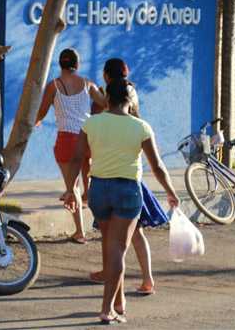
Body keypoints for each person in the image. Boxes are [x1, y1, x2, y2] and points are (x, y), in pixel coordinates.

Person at [63, 78, 180, 325]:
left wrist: (69, 189)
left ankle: (118, 301)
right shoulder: (141, 127)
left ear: (107, 98)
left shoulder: (91, 123)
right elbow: (157, 166)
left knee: (110, 246)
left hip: (99, 190)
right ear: (131, 99)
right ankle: (107, 309)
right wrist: (170, 191)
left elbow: (76, 159)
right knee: (118, 249)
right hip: (127, 190)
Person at [88, 58, 169, 295]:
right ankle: (144, 279)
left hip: (115, 176)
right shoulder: (130, 93)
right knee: (133, 233)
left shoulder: (113, 95)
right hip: (129, 175)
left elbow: (106, 115)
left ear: (106, 75)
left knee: (117, 236)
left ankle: (118, 280)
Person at [35, 48, 106, 243]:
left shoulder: (54, 86)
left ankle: (80, 232)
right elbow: (106, 103)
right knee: (87, 177)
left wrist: (36, 121)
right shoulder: (87, 84)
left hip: (67, 139)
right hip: (89, 137)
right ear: (78, 64)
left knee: (71, 186)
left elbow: (40, 112)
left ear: (60, 64)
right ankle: (93, 206)